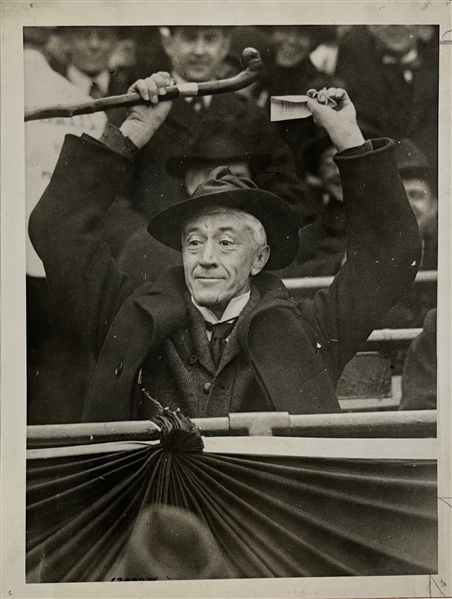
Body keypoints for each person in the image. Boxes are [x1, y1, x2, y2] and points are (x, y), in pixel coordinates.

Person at [29, 73, 421, 423]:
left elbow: (392, 255)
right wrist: (131, 131)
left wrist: (348, 138)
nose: (206, 258)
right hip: (154, 503)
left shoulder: (306, 331)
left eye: (227, 242)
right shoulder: (131, 320)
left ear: (260, 258)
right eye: (194, 241)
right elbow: (56, 230)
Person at [129, 26, 314, 226]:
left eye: (210, 39)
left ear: (225, 46)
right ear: (168, 44)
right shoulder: (138, 111)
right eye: (190, 38)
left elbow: (288, 192)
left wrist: (249, 233)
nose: (199, 51)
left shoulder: (251, 116)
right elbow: (111, 195)